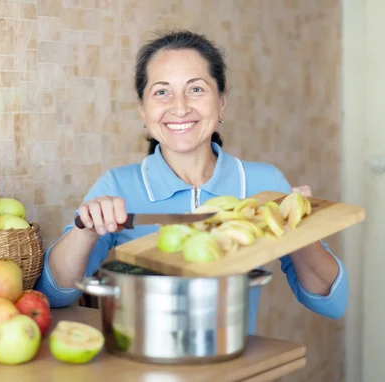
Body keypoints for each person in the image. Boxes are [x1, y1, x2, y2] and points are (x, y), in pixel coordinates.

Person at [34, 29, 348, 333]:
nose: (180, 107)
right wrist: (86, 231)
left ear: (222, 101)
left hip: (230, 363)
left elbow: (332, 303)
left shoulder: (263, 183)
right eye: (161, 92)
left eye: (196, 89)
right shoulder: (117, 186)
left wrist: (302, 228)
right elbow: (54, 296)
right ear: (143, 110)